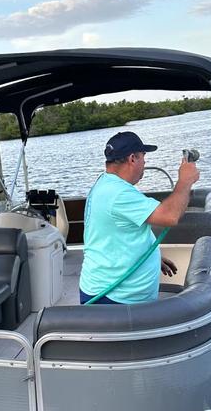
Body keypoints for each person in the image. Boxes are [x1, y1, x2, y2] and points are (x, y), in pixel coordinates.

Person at [79, 130, 200, 305]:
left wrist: (150, 255)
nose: (145, 163)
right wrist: (185, 181)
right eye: (144, 157)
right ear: (132, 159)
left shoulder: (106, 183)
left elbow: (115, 234)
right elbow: (170, 216)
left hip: (111, 293)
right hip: (112, 300)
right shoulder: (117, 193)